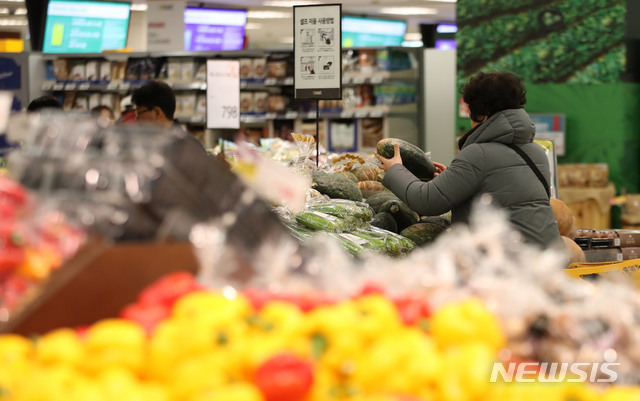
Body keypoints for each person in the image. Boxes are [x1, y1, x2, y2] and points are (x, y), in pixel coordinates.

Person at [375, 71, 561, 249]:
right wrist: (453, 180)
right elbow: (507, 196)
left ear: (481, 115)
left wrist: (395, 169)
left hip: (504, 261)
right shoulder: (536, 152)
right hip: (546, 256)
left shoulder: (478, 154)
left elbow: (426, 201)